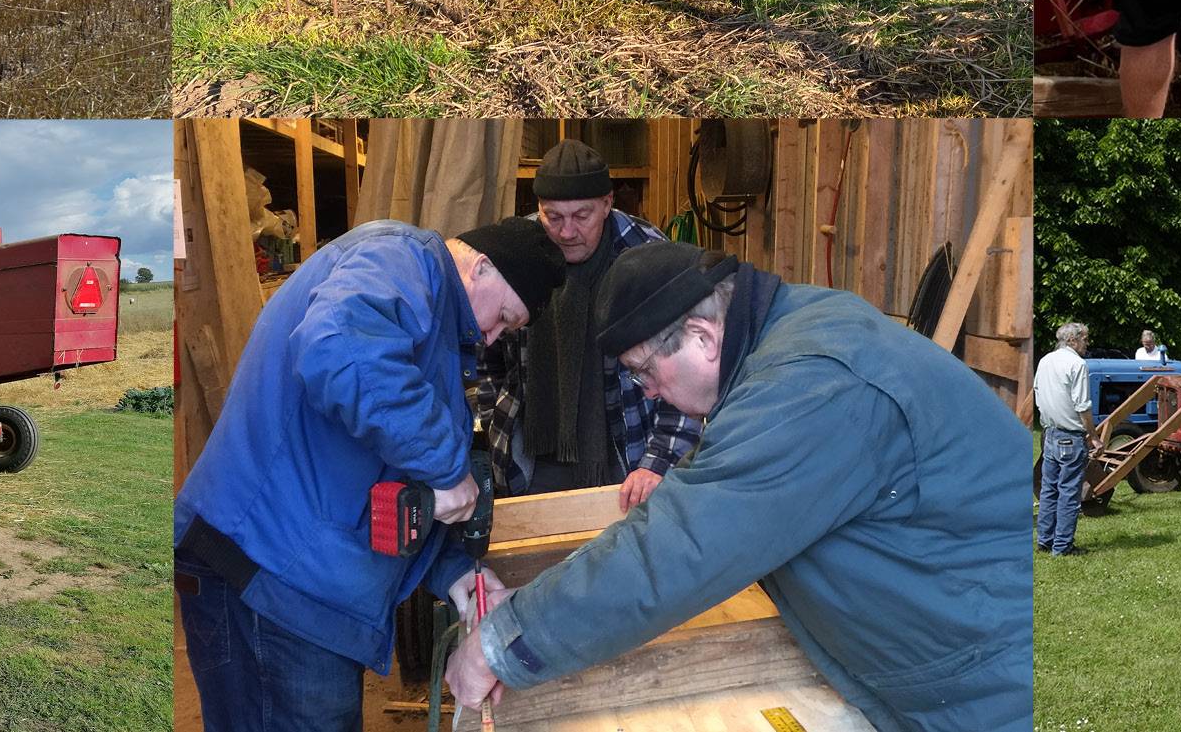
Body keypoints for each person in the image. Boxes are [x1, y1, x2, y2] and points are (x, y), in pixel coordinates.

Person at [446, 243, 1031, 731]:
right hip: (951, 662)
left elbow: (679, 549)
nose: (646, 392)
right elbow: (709, 482)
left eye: (645, 370)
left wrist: (502, 643)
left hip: (989, 682)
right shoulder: (791, 333)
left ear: (702, 335)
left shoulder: (814, 384)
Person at [171, 216, 566, 732]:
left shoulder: (432, 325)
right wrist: (447, 467)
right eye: (503, 319)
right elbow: (336, 346)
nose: (492, 338)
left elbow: (390, 466)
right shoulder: (403, 259)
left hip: (302, 587)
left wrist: (454, 573)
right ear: (483, 268)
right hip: (264, 580)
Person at [484, 139, 701, 510]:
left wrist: (659, 462)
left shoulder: (648, 257)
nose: (566, 232)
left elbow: (691, 374)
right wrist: (493, 419)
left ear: (607, 203)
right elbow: (486, 355)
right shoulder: (514, 254)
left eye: (581, 216)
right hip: (530, 462)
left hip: (628, 460)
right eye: (553, 217)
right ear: (538, 207)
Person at [1036, 321, 1094, 558]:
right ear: (1072, 340)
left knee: (1049, 490)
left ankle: (1044, 540)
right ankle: (1062, 547)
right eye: (1085, 339)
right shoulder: (1077, 364)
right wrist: (1093, 434)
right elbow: (1082, 405)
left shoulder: (1045, 360)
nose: (1087, 344)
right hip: (1070, 436)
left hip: (1050, 433)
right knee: (1070, 493)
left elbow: (1038, 392)